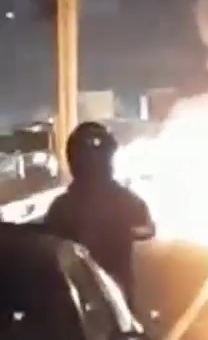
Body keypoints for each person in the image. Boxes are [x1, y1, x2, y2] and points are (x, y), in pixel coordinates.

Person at [43, 121, 155, 307]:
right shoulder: (64, 205)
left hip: (105, 293)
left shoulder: (63, 205)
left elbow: (147, 229)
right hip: (77, 297)